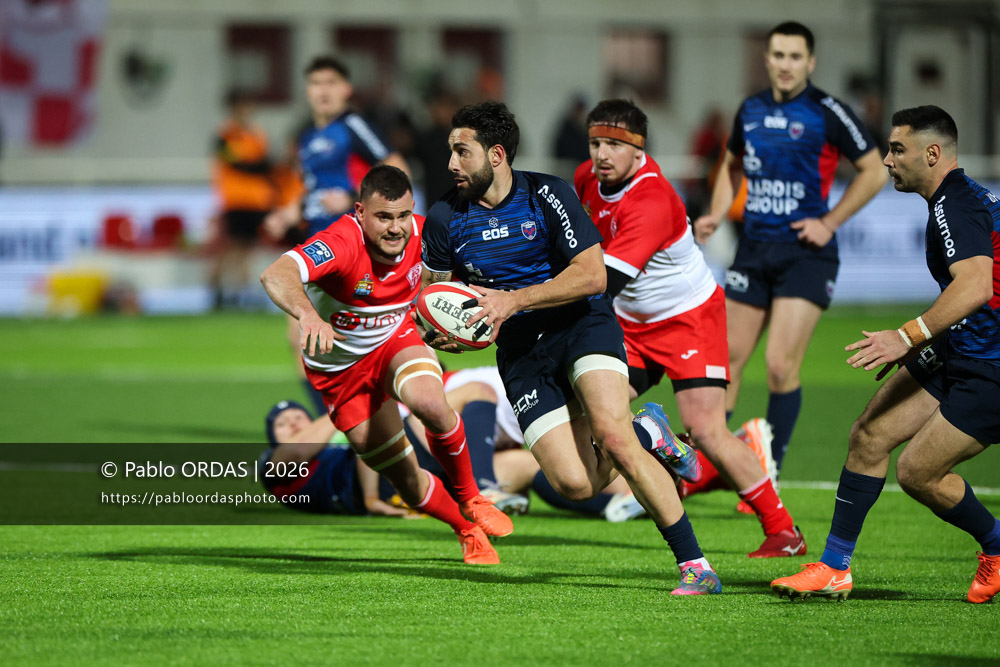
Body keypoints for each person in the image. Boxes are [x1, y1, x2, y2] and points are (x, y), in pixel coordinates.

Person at [422, 101, 721, 595]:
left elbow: (592, 275)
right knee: (574, 484)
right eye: (451, 151)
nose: (452, 163)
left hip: (581, 324)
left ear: (496, 155)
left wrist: (512, 300)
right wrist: (443, 334)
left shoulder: (547, 194)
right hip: (521, 353)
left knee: (613, 437)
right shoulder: (443, 218)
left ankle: (696, 565)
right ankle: (650, 431)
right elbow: (434, 297)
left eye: (462, 151)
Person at [771, 106, 1000, 603]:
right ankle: (834, 567)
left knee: (917, 473)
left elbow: (976, 286)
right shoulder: (955, 200)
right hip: (961, 345)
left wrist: (907, 335)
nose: (888, 160)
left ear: (932, 153)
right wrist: (922, 340)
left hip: (992, 366)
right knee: (870, 434)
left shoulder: (955, 205)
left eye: (897, 149)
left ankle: (997, 545)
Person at [574, 98, 805, 558]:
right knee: (592, 414)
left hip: (688, 320)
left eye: (614, 145)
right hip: (630, 322)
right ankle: (658, 440)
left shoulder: (652, 199)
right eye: (596, 143)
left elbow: (605, 282)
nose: (602, 155)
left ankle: (783, 532)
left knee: (707, 431)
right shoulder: (586, 178)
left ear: (639, 150)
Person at [259, 165, 511, 565]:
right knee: (406, 481)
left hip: (395, 341)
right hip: (340, 375)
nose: (396, 228)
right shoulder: (340, 242)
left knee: (430, 403)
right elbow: (276, 274)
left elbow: (473, 278)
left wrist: (465, 321)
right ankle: (466, 530)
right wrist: (308, 315)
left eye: (403, 215)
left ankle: (472, 497)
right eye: (383, 217)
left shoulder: (428, 234)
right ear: (360, 212)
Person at [693, 21, 887, 480]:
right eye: (778, 55)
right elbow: (730, 164)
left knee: (780, 366)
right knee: (725, 361)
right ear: (767, 59)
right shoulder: (750, 109)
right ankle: (706, 465)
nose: (785, 64)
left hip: (805, 255)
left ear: (810, 62)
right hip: (753, 250)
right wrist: (717, 212)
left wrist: (829, 222)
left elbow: (875, 170)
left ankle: (767, 472)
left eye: (795, 56)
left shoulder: (828, 111)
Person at [260, 370, 644, 522]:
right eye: (283, 423)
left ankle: (616, 504)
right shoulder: (274, 465)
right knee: (476, 391)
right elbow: (299, 450)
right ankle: (483, 487)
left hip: (422, 482)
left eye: (297, 415)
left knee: (528, 463)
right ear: (273, 437)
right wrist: (351, 400)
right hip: (395, 477)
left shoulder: (329, 446)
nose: (293, 422)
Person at [263, 55, 410, 416]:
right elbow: (313, 190)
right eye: (316, 83)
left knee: (358, 338)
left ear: (346, 89)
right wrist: (288, 213)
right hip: (317, 244)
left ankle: (370, 419)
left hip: (351, 243)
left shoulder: (354, 125)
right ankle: (335, 423)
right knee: (302, 338)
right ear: (307, 90)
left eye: (331, 83)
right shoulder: (307, 137)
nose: (323, 91)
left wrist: (352, 198)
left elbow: (396, 170)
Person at [209, 89, 277, 310]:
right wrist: (257, 166)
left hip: (257, 200)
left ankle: (239, 292)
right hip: (236, 200)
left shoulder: (257, 134)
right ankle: (217, 288)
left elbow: (266, 164)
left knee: (248, 249)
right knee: (232, 247)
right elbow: (238, 163)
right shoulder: (225, 135)